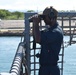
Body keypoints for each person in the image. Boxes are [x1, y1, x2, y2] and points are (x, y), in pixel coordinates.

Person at [32, 6, 63, 75]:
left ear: (51, 17)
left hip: (50, 70)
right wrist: (34, 24)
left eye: (44, 17)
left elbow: (38, 39)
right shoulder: (50, 30)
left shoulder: (55, 32)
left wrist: (36, 24)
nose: (43, 20)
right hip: (46, 68)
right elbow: (36, 36)